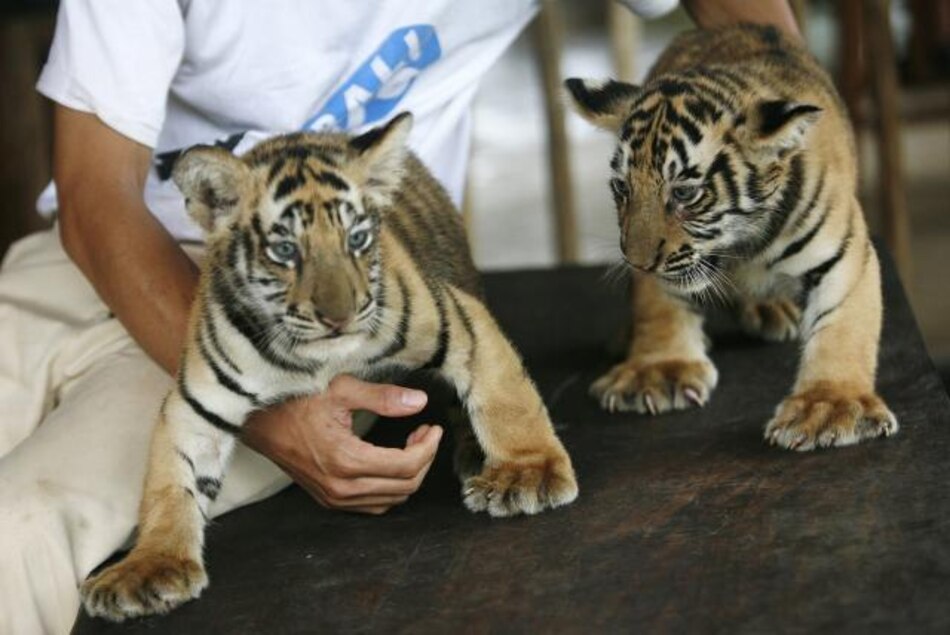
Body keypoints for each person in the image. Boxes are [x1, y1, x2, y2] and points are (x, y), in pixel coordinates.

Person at [0, 1, 802, 632]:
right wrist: (277, 421)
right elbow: (95, 199)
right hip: (85, 266)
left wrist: (793, 212)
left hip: (299, 325)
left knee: (19, 531)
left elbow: (763, 41)